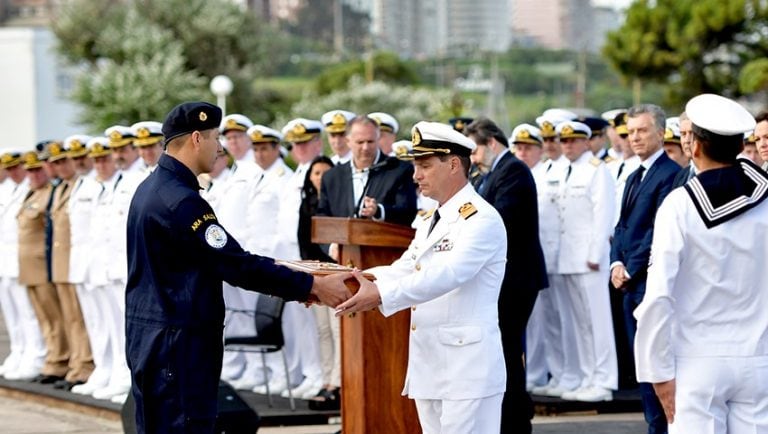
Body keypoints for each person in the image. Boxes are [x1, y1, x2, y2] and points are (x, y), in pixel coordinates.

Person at [125, 102, 352, 433]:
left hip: (154, 338)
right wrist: (312, 285)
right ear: (197, 139)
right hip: (178, 346)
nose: (220, 148)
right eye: (216, 138)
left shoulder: (151, 189)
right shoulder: (182, 201)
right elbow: (234, 265)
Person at [336, 120, 507, 433]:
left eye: (425, 165)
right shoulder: (432, 217)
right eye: (416, 166)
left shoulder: (481, 219)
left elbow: (448, 274)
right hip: (429, 364)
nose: (416, 175)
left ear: (454, 164)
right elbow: (407, 265)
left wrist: (381, 295)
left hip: (466, 370)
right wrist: (353, 278)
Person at [634, 93, 768, 433]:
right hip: (758, 359)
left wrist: (657, 372)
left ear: (694, 147)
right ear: (741, 145)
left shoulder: (679, 205)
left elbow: (659, 296)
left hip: (697, 361)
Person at [465, 118, 548, 433]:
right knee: (502, 347)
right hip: (503, 276)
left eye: (474, 151)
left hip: (516, 277)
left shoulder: (512, 170)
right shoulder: (491, 172)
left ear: (491, 143)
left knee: (510, 348)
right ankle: (506, 413)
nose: (473, 159)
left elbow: (501, 220)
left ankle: (515, 418)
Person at [610, 104, 680, 434]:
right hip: (630, 284)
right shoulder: (634, 174)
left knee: (658, 372)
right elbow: (622, 226)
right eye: (631, 131)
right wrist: (615, 261)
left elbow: (658, 230)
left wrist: (630, 269)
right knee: (643, 372)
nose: (634, 137)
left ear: (661, 133)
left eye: (642, 130)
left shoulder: (670, 174)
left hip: (650, 285)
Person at [554, 120, 617, 403]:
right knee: (578, 324)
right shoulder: (565, 170)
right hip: (567, 257)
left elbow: (603, 215)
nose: (567, 146)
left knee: (597, 322)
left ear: (585, 142)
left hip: (590, 259)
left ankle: (603, 381)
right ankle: (586, 377)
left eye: (573, 141)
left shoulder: (596, 170)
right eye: (564, 141)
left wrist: (595, 255)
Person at [48, 139, 95, 390]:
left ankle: (84, 365)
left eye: (65, 161)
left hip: (77, 261)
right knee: (71, 318)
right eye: (58, 163)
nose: (64, 167)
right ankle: (77, 363)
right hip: (65, 262)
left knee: (80, 317)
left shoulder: (81, 185)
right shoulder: (65, 188)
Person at [318, 115, 417, 226]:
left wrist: (379, 211)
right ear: (348, 141)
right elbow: (322, 218)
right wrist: (334, 243)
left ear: (378, 139)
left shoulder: (399, 170)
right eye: (360, 142)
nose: (365, 148)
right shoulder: (331, 177)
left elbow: (408, 212)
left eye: (370, 142)